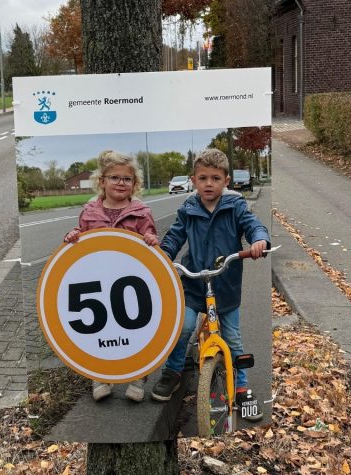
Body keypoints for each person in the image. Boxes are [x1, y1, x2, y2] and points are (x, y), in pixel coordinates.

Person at [154, 148, 269, 422]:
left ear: (226, 181)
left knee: (233, 338)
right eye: (203, 178)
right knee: (182, 328)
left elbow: (253, 225)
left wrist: (258, 240)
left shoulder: (236, 206)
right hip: (194, 284)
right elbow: (174, 236)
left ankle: (241, 387)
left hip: (225, 286)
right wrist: (163, 255)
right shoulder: (188, 209)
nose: (209, 183)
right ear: (193, 180)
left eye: (215, 178)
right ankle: (173, 372)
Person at [64, 150, 159, 403]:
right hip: (99, 283)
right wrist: (74, 237)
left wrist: (151, 240)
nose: (120, 183)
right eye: (114, 177)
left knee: (139, 328)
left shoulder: (141, 212)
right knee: (99, 328)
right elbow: (81, 241)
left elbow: (152, 246)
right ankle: (100, 375)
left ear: (135, 184)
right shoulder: (89, 212)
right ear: (102, 181)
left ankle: (139, 375)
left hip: (132, 283)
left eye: (127, 179)